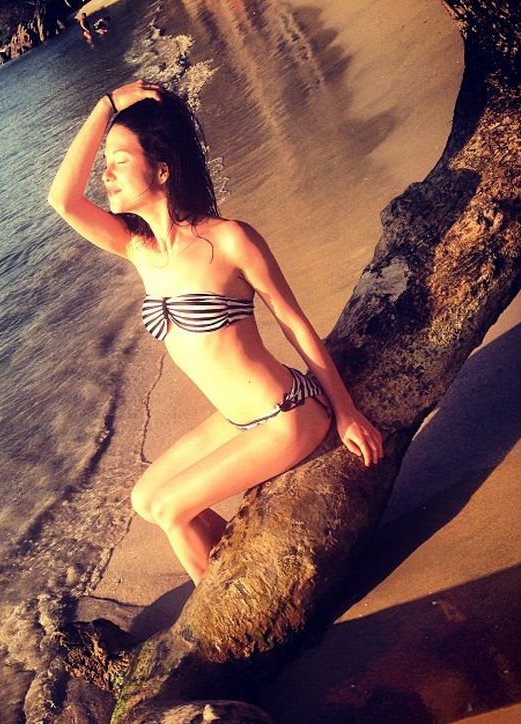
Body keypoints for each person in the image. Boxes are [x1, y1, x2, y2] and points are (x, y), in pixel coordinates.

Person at [48, 81, 384, 586]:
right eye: (105, 163)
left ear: (162, 169)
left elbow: (293, 322)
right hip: (235, 420)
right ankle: (249, 574)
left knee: (172, 510)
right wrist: (105, 106)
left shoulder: (228, 239)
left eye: (119, 160)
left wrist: (346, 411)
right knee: (145, 499)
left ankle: (227, 617)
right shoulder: (139, 250)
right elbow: (63, 199)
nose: (106, 173)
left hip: (286, 414)